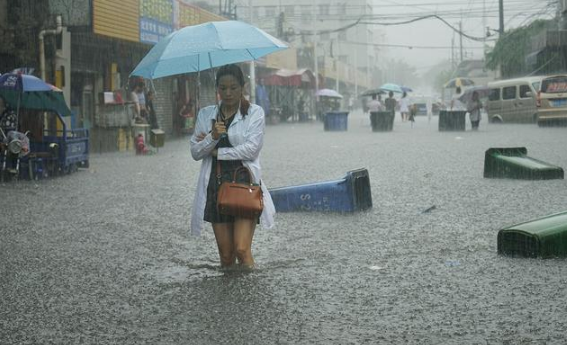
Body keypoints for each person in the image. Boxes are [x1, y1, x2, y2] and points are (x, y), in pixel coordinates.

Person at [190, 64, 275, 268]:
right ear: (217, 89)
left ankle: (247, 295)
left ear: (243, 87)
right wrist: (213, 137)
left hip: (244, 183)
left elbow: (251, 150)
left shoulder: (254, 113)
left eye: (233, 88)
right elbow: (195, 152)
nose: (228, 93)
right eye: (223, 88)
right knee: (226, 256)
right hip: (216, 184)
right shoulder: (205, 115)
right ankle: (229, 296)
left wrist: (217, 151)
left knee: (242, 249)